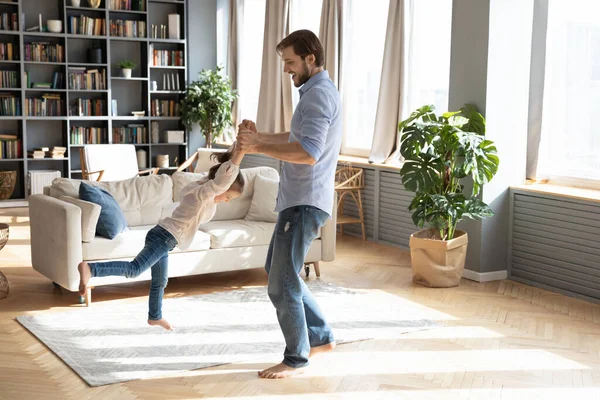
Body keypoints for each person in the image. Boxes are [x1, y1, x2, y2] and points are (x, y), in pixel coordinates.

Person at [237, 29, 343, 379]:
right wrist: (260, 138)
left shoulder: (318, 97)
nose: (287, 70)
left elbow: (308, 153)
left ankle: (296, 358)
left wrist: (257, 148)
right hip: (299, 199)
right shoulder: (313, 93)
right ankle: (321, 338)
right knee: (279, 272)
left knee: (281, 282)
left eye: (290, 62)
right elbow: (297, 136)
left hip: (304, 201)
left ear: (310, 58)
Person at [77, 146, 246, 331]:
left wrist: (238, 146)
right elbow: (222, 180)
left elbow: (222, 172)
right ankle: (91, 269)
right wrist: (241, 153)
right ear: (220, 185)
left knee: (160, 281)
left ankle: (154, 317)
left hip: (164, 237)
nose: (227, 200)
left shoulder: (200, 187)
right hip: (164, 237)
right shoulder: (202, 194)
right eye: (228, 196)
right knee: (134, 270)